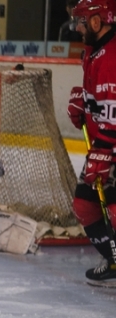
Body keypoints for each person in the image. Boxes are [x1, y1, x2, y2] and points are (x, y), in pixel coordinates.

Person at [66, 0, 116, 286]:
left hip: (108, 147)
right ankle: (113, 260)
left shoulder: (110, 58)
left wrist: (102, 152)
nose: (77, 27)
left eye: (82, 21)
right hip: (105, 146)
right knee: (85, 206)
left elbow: (114, 111)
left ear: (97, 22)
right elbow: (102, 101)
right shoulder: (94, 51)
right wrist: (83, 102)